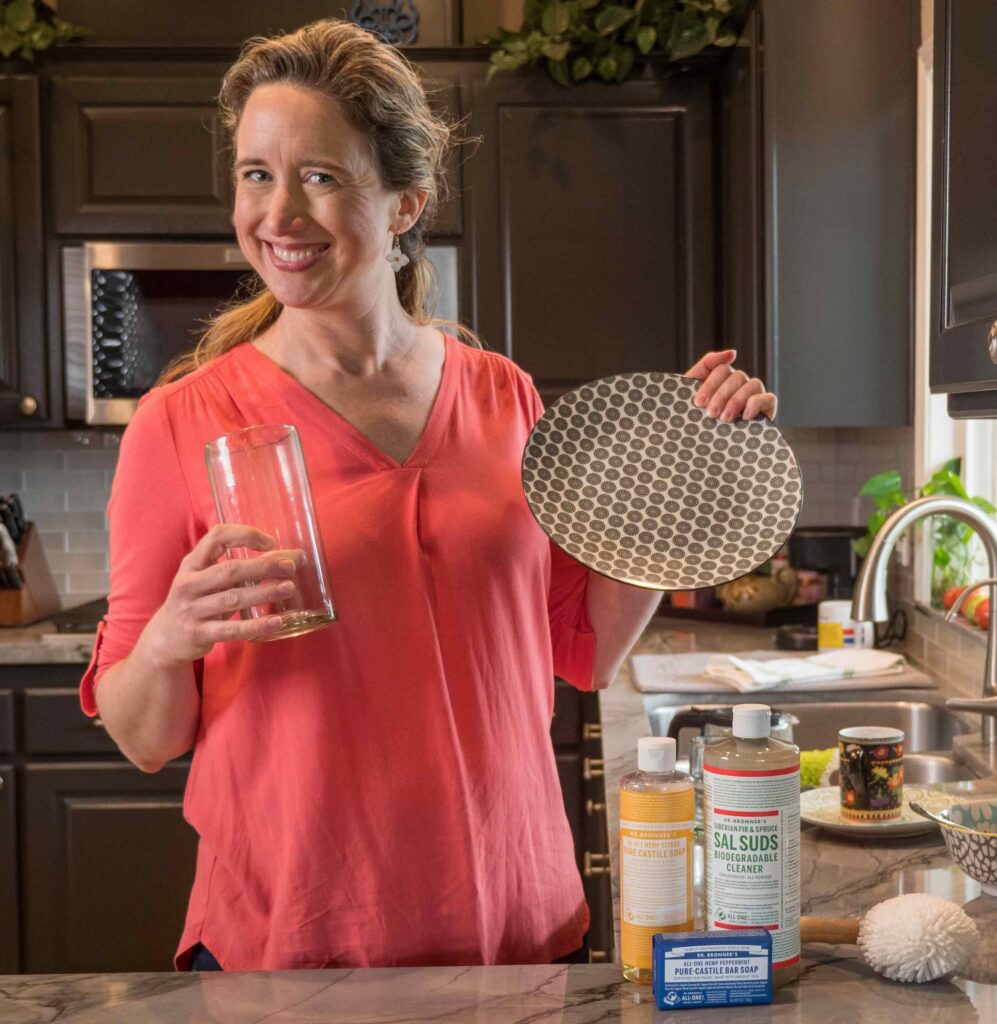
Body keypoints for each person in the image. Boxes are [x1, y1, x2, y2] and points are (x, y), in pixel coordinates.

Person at [78, 19, 778, 972]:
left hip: (521, 928)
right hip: (297, 945)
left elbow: (584, 647)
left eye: (320, 176)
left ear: (405, 202)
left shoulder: (505, 396)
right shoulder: (179, 424)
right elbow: (142, 737)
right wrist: (169, 639)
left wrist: (689, 491)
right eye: (255, 174)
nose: (278, 214)